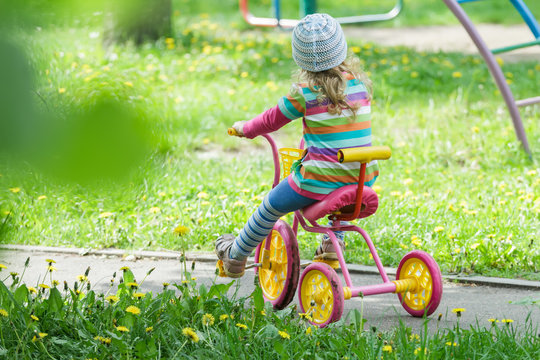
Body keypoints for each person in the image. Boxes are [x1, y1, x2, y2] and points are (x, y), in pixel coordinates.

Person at [215, 13, 379, 278]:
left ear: (299, 56)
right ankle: (332, 244)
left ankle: (235, 255)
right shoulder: (360, 86)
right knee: (344, 181)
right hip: (362, 181)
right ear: (341, 47)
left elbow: (271, 120)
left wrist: (246, 128)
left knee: (270, 206)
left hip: (317, 182)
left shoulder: (304, 93)